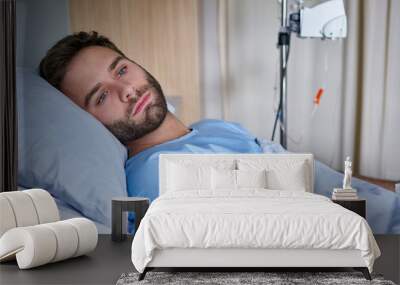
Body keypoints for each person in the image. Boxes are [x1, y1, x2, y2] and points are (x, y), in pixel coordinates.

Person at [39, 31, 399, 234]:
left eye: (121, 70)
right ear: (88, 122)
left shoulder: (212, 127)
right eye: (101, 96)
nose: (126, 91)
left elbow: (326, 177)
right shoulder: (157, 178)